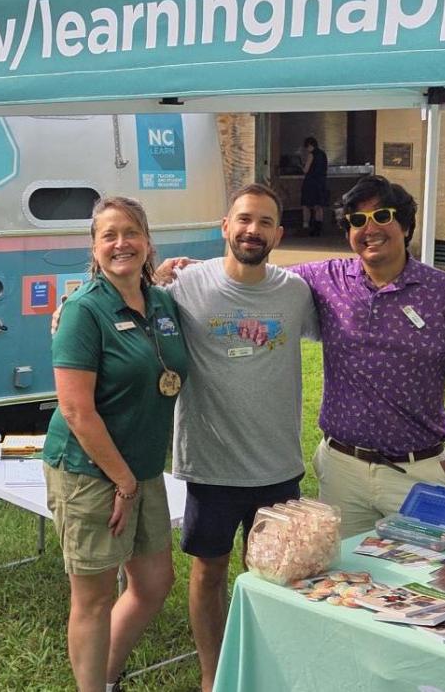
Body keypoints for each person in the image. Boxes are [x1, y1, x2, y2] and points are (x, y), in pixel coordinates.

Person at [157, 184, 319, 692]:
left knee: (275, 577)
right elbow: (121, 300)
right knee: (209, 571)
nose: (254, 230)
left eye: (265, 222)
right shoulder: (185, 286)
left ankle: (265, 672)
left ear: (279, 234)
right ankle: (214, 676)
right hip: (210, 462)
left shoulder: (295, 293)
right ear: (225, 226)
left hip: (277, 463)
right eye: (244, 219)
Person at [289, 175, 445, 537]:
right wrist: (192, 268)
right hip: (342, 472)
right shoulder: (328, 279)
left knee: (423, 584)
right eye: (356, 220)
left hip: (417, 476)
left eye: (381, 216)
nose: (369, 229)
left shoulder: (443, 293)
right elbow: (256, 278)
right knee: (342, 582)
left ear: (405, 225)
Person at [42, 195, 190, 692]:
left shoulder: (163, 302)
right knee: (95, 597)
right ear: (95, 247)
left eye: (130, 232)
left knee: (153, 584)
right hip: (90, 471)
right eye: (108, 235)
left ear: (148, 242)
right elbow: (76, 410)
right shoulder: (83, 310)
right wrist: (122, 482)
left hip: (142, 468)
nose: (120, 243)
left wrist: (179, 271)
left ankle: (104, 676)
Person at [300, 136, 328, 237]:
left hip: (310, 183)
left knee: (306, 205)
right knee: (318, 206)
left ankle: (306, 227)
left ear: (310, 145)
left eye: (307, 147)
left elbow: (306, 170)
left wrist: (301, 166)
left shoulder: (312, 155)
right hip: (321, 183)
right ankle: (318, 228)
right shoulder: (323, 154)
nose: (307, 150)